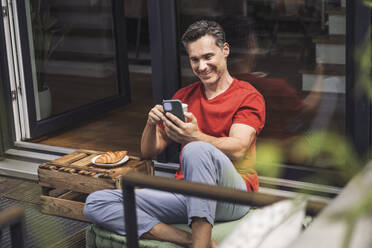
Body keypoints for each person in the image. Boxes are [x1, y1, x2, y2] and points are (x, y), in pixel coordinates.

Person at [83, 20, 265, 247]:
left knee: (195, 149)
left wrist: (194, 137)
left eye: (208, 56)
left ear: (225, 50)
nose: (201, 66)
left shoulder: (248, 96)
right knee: (96, 202)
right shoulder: (184, 96)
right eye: (194, 59)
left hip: (233, 197)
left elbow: (238, 148)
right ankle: (191, 240)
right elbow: (149, 151)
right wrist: (150, 124)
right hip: (187, 194)